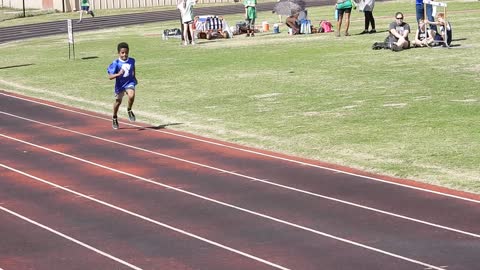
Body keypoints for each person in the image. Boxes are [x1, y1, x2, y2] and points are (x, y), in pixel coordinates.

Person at [107, 42, 138, 130]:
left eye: (126, 52)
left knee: (131, 95)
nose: (125, 54)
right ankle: (114, 117)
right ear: (119, 53)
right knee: (118, 102)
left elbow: (133, 68)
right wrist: (118, 74)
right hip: (120, 85)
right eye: (122, 53)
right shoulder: (116, 63)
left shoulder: (132, 60)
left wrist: (134, 77)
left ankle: (129, 109)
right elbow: (110, 77)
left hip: (129, 83)